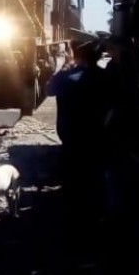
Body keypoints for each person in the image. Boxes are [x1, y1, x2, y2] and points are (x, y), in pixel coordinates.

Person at [45, 37, 110, 215]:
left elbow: (48, 89)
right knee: (94, 178)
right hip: (97, 137)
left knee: (72, 177)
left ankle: (73, 212)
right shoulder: (104, 77)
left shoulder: (67, 77)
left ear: (77, 56)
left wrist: (65, 66)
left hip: (70, 137)